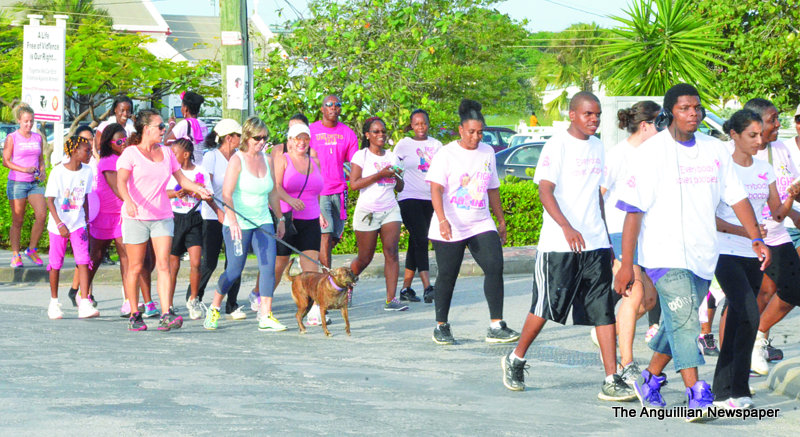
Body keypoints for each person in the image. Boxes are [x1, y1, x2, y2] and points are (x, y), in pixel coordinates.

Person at [611, 84, 768, 420]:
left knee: (675, 323)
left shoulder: (714, 150)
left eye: (697, 108)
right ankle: (696, 392)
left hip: (702, 256)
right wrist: (627, 265)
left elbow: (737, 197)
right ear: (671, 112)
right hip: (663, 256)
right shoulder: (651, 153)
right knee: (686, 324)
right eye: (684, 108)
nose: (693, 114)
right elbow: (632, 213)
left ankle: (650, 380)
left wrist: (755, 237)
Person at [500, 92, 633, 402]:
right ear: (573, 114)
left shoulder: (599, 146)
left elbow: (596, 196)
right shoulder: (557, 145)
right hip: (560, 245)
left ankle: (611, 378)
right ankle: (515, 358)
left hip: (595, 244)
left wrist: (606, 241)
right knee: (546, 307)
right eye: (588, 114)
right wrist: (566, 226)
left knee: (603, 310)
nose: (594, 119)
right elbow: (545, 190)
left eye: (598, 115)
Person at [712, 109, 798, 410]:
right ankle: (724, 389)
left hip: (755, 252)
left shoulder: (765, 168)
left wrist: (790, 195)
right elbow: (712, 219)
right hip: (724, 250)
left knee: (740, 318)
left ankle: (736, 389)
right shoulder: (722, 169)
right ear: (734, 135)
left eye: (761, 134)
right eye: (752, 135)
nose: (760, 140)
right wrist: (748, 231)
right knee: (748, 311)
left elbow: (776, 214)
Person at [428, 99, 517, 344]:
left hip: (480, 222)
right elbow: (436, 190)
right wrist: (443, 220)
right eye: (471, 132)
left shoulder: (487, 151)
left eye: (480, 132)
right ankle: (441, 325)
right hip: (451, 224)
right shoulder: (446, 153)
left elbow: (493, 189)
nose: (476, 137)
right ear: (460, 130)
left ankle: (496, 325)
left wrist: (500, 220)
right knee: (447, 274)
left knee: (495, 267)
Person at [117, 109, 211, 332]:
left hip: (162, 216)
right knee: (136, 266)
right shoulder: (130, 154)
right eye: (160, 127)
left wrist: (200, 189)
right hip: (136, 217)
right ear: (146, 129)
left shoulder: (167, 153)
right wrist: (128, 201)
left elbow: (181, 180)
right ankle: (134, 314)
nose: (163, 130)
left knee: (164, 265)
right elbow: (121, 182)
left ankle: (166, 313)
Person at [203, 116, 287, 332]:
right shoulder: (237, 159)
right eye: (258, 138)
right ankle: (214, 307)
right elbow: (228, 195)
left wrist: (280, 218)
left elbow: (272, 192)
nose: (262, 142)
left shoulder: (268, 160)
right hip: (238, 220)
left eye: (265, 138)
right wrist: (232, 221)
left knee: (268, 268)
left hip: (263, 220)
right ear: (247, 138)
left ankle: (266, 315)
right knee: (234, 269)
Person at [597, 101, 660, 385]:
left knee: (649, 299)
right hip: (620, 231)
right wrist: (601, 236)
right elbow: (598, 194)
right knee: (633, 294)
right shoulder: (617, 155)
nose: (664, 129)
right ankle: (626, 363)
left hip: (647, 233)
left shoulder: (657, 153)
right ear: (645, 125)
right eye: (660, 123)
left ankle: (608, 329)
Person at [740, 98, 800, 374]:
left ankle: (758, 338)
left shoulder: (780, 150)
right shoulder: (740, 153)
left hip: (777, 233)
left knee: (791, 289)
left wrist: (794, 213)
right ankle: (739, 351)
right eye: (773, 119)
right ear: (755, 123)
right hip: (745, 238)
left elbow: (783, 197)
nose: (779, 124)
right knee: (752, 294)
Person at [188, 119, 245, 320]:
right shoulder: (211, 157)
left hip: (235, 217)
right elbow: (207, 189)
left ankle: (232, 304)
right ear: (229, 138)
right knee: (209, 262)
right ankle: (194, 297)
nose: (242, 139)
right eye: (239, 135)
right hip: (212, 216)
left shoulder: (239, 157)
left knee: (235, 261)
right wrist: (218, 211)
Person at [271, 122, 327, 323]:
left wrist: (320, 213)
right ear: (290, 141)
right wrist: (289, 200)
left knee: (311, 267)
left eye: (305, 138)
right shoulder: (282, 160)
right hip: (287, 218)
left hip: (310, 218)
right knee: (279, 265)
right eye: (298, 139)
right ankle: (262, 299)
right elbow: (275, 187)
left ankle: (314, 310)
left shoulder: (315, 162)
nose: (302, 142)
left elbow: (317, 191)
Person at [348, 116, 406, 311]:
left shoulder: (391, 156)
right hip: (368, 211)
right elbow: (354, 184)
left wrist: (396, 175)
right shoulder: (361, 156)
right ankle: (346, 283)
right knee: (365, 258)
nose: (381, 135)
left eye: (383, 131)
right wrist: (380, 174)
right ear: (367, 135)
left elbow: (400, 187)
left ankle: (391, 299)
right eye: (376, 132)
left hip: (390, 208)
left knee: (391, 252)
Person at [44, 136, 99, 320]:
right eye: (86, 150)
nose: (90, 154)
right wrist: (59, 224)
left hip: (78, 223)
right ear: (75, 152)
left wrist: (88, 222)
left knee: (83, 260)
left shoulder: (88, 171)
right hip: (58, 224)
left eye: (90, 150)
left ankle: (84, 301)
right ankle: (54, 302)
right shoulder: (58, 172)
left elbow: (85, 199)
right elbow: (50, 200)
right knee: (56, 263)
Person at [394, 109, 442, 304]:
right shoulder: (404, 144)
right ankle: (427, 287)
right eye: (416, 124)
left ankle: (406, 288)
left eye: (424, 123)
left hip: (430, 198)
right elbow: (394, 169)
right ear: (411, 126)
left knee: (416, 242)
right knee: (421, 239)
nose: (420, 127)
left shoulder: (436, 145)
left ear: (428, 124)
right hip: (409, 198)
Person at [167, 138, 219, 320]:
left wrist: (219, 212)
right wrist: (176, 193)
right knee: (172, 265)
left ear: (186, 154)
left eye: (175, 154)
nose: (172, 157)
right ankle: (169, 303)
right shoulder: (171, 172)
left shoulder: (201, 172)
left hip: (195, 218)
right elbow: (163, 193)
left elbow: (208, 195)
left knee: (196, 262)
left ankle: (193, 299)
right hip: (175, 218)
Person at [309, 95, 358, 269]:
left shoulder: (347, 133)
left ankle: (313, 260)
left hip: (340, 190)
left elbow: (354, 163)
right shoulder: (311, 131)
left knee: (336, 235)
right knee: (326, 233)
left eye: (337, 105)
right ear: (322, 109)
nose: (333, 108)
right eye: (329, 104)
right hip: (319, 191)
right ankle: (326, 278)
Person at [3, 104, 46, 268]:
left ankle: (32, 250)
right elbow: (6, 161)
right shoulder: (12, 138)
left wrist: (42, 171)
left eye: (31, 121)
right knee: (18, 220)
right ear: (19, 121)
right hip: (17, 182)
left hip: (34, 183)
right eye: (26, 121)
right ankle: (15, 254)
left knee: (41, 215)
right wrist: (24, 169)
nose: (29, 125)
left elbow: (41, 159)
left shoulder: (37, 138)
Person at [165, 91, 208, 164]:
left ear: (185, 109)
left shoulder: (184, 124)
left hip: (186, 165)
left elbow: (166, 141)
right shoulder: (203, 125)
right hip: (200, 164)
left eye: (182, 106)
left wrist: (172, 125)